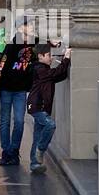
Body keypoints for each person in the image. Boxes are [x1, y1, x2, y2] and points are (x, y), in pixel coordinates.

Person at [0, 21, 36, 166]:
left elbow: (44, 42)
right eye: (28, 25)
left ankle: (14, 149)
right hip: (6, 89)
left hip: (20, 90)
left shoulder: (32, 44)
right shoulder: (11, 46)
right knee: (5, 120)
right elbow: (1, 67)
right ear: (19, 28)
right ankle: (6, 151)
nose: (32, 27)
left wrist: (53, 42)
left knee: (19, 121)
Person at [26, 44, 72, 173]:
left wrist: (65, 63)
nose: (51, 58)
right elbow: (56, 73)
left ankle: (35, 163)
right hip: (37, 106)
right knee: (50, 125)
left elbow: (59, 75)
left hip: (41, 107)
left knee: (37, 134)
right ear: (40, 56)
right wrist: (66, 58)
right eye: (49, 55)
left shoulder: (44, 70)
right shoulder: (39, 69)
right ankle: (40, 150)